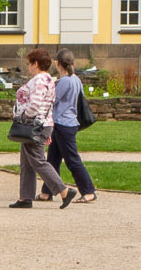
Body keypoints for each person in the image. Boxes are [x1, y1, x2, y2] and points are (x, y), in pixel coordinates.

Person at [9, 47, 74, 210]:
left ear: (35, 64)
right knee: (27, 162)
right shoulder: (48, 80)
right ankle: (25, 197)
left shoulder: (39, 81)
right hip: (42, 124)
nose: (29, 66)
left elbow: (35, 104)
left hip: (34, 125)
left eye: (30, 63)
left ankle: (64, 190)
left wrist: (24, 118)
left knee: (37, 160)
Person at [42, 47, 97, 203]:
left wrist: (51, 85)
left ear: (57, 63)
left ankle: (88, 191)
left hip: (62, 125)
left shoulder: (65, 81)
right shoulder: (76, 80)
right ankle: (47, 192)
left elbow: (52, 100)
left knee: (72, 160)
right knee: (52, 160)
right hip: (69, 122)